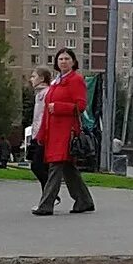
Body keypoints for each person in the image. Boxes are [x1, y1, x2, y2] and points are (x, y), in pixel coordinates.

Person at [33, 48, 95, 216]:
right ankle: (84, 200)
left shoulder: (75, 80)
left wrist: (59, 107)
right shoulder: (56, 82)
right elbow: (47, 109)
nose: (63, 61)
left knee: (56, 166)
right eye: (60, 59)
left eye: (67, 58)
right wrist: (41, 134)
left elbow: (80, 106)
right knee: (68, 168)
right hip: (53, 131)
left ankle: (46, 205)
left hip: (67, 131)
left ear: (73, 62)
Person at [26, 67, 56, 198]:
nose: (31, 79)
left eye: (34, 76)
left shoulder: (46, 93)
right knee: (38, 165)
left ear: (42, 78)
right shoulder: (38, 94)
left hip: (43, 134)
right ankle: (48, 194)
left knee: (37, 166)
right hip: (36, 133)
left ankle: (50, 193)